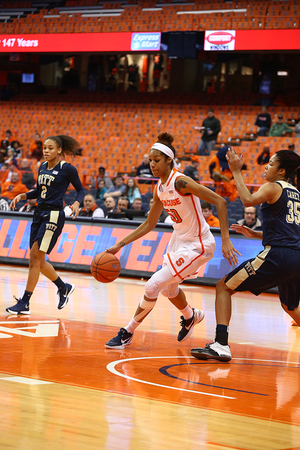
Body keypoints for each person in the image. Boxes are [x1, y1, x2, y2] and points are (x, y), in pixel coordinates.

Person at [105, 132, 239, 349]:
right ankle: (190, 316)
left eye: (157, 160)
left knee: (153, 285)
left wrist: (226, 240)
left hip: (198, 244)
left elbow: (220, 202)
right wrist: (119, 244)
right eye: (150, 160)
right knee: (169, 290)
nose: (152, 165)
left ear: (169, 160)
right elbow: (149, 224)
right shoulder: (159, 188)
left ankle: (127, 332)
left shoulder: (181, 182)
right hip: (179, 242)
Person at [191, 148, 300, 362]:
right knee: (290, 306)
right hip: (297, 257)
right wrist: (256, 233)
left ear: (281, 171)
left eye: (270, 163)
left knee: (223, 287)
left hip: (278, 256)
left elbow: (248, 200)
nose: (266, 166)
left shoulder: (273, 186)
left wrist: (236, 172)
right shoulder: (296, 193)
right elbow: (291, 232)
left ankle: (221, 344)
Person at [6, 135, 85, 315]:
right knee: (38, 261)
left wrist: (77, 203)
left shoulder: (67, 169)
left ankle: (25, 302)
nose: (46, 151)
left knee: (34, 259)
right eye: (44, 148)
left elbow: (81, 189)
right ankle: (63, 287)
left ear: (59, 150)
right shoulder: (42, 166)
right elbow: (39, 191)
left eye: (50, 148)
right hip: (39, 213)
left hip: (53, 215)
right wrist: (23, 195)